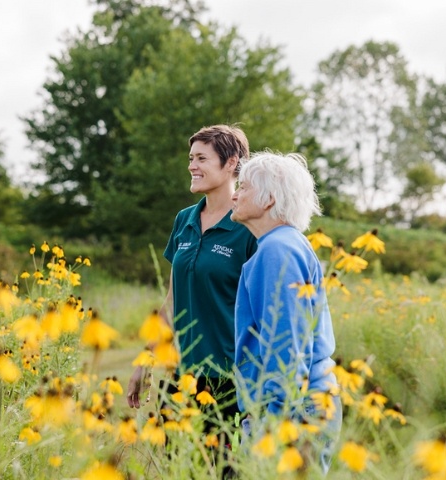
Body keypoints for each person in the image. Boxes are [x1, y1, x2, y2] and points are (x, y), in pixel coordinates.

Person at [127, 125, 257, 430]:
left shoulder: (249, 225)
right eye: (191, 158)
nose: (191, 166)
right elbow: (172, 301)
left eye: (201, 159)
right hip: (180, 374)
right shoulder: (184, 220)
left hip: (229, 378)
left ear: (230, 163)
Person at [230, 151, 341, 474]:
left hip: (293, 408)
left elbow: (286, 342)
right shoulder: (287, 243)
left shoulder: (277, 250)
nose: (235, 194)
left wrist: (272, 416)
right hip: (304, 402)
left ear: (269, 199)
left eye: (244, 187)